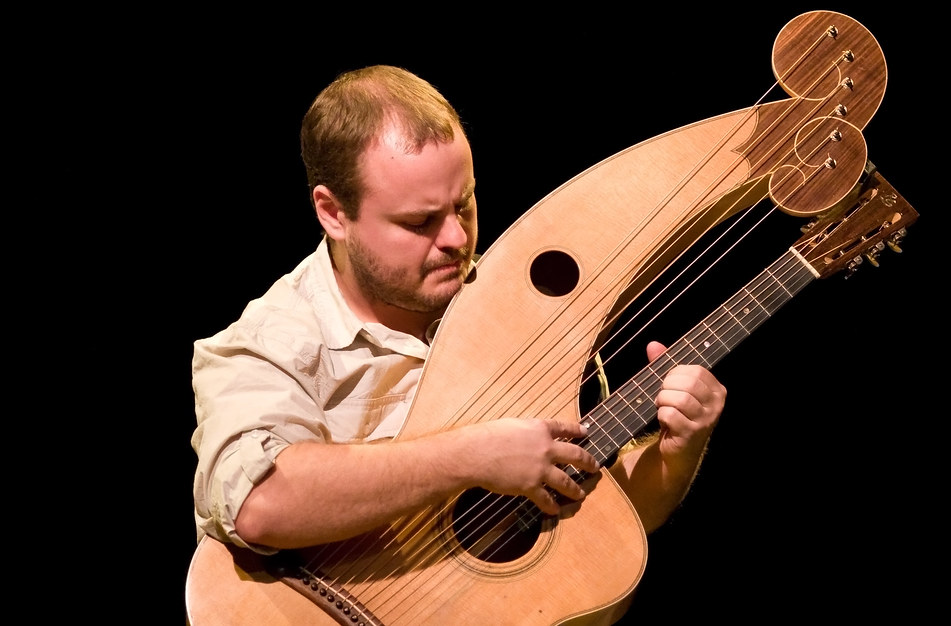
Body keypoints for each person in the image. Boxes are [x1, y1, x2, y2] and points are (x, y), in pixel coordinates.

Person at [190, 64, 727, 617]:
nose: (455, 239)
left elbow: (581, 528)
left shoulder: (515, 299)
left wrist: (675, 456)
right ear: (334, 213)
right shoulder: (267, 345)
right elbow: (259, 502)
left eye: (464, 203)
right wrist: (470, 456)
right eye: (420, 222)